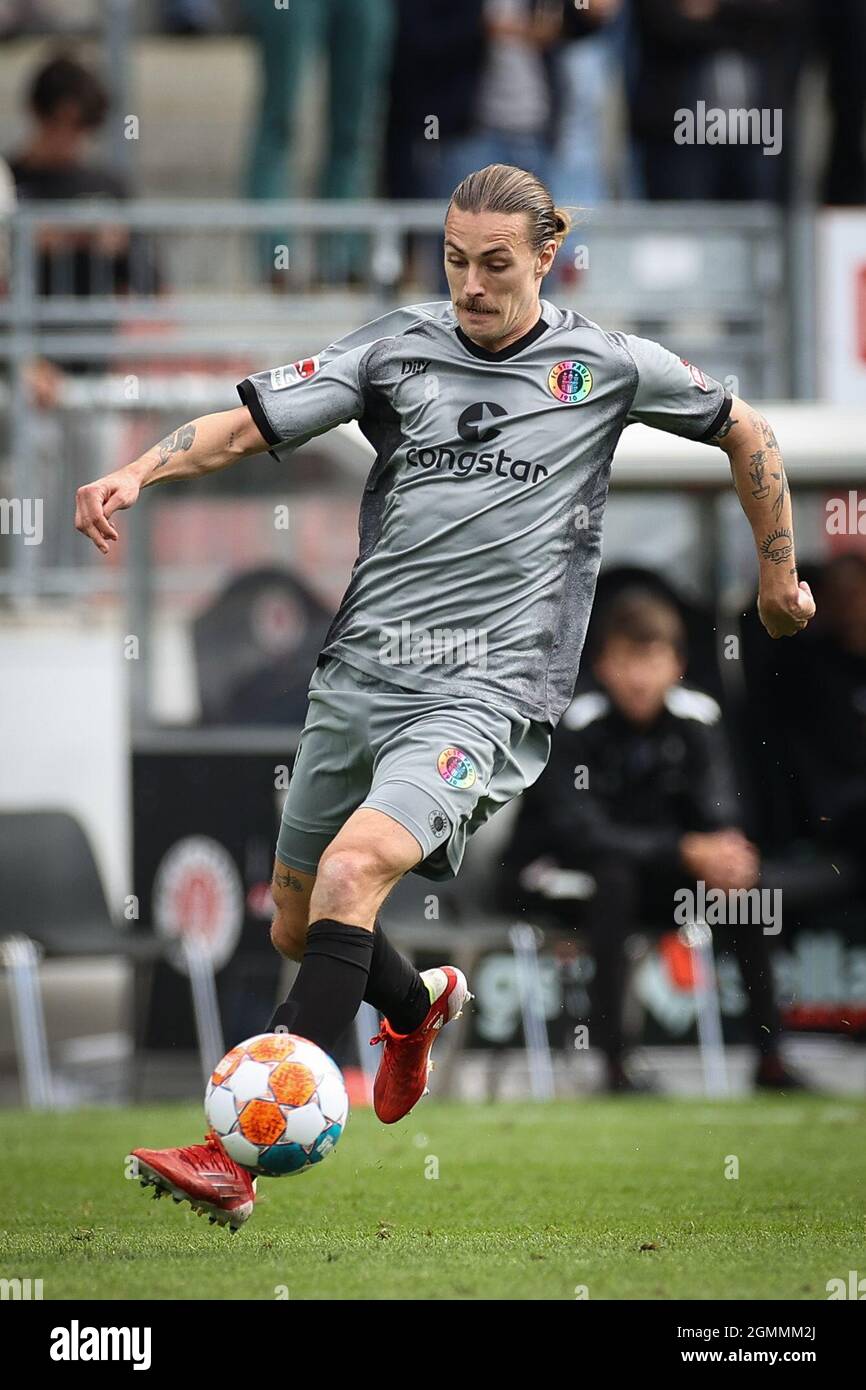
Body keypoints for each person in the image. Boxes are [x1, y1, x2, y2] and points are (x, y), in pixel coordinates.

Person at [75, 162, 815, 1229]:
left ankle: (234, 1153)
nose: (470, 284)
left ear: (545, 255)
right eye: (455, 260)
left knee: (354, 865)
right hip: (360, 673)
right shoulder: (394, 347)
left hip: (488, 688)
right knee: (296, 920)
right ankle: (412, 1005)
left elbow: (747, 430)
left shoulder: (604, 366)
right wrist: (139, 469)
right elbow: (251, 425)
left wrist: (775, 573)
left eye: (495, 264)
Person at [506, 588, 801, 1093]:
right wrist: (684, 851)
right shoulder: (575, 724)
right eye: (627, 661)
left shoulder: (697, 720)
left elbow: (720, 808)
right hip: (558, 880)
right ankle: (615, 1065)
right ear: (603, 664)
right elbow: (583, 835)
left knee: (745, 893)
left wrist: (724, 851)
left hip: (659, 881)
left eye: (652, 660)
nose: (639, 678)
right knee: (613, 878)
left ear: (677, 664)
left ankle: (771, 1060)